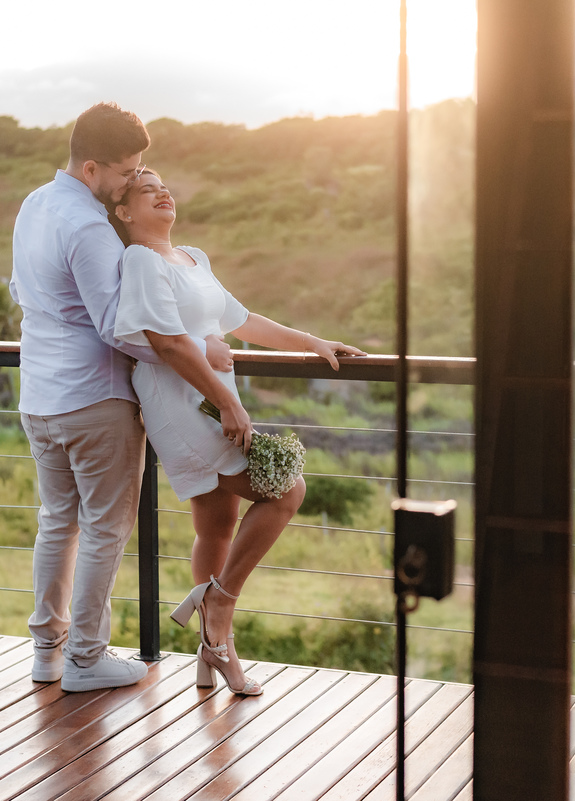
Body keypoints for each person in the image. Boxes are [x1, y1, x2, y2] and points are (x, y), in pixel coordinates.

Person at [111, 169, 365, 695]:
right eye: (144, 189)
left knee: (217, 524)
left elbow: (243, 320)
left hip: (214, 398)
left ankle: (213, 651)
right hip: (182, 403)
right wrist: (228, 400)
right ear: (124, 213)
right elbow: (165, 341)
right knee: (287, 489)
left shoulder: (194, 258)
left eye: (164, 186)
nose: (162, 192)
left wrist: (314, 342)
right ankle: (219, 605)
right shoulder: (140, 260)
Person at [10, 104, 233, 693]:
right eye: (126, 169)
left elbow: (22, 291)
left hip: (38, 393)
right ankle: (86, 657)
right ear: (91, 167)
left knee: (58, 523)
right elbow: (119, 324)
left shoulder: (34, 204)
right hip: (93, 397)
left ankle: (46, 652)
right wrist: (199, 352)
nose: (134, 179)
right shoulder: (86, 224)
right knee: (106, 527)